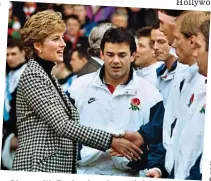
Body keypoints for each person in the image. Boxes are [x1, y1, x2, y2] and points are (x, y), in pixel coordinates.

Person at [11, 10, 142, 173]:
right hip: (39, 167)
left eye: (61, 37)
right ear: (37, 45)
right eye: (55, 39)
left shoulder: (45, 74)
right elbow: (63, 125)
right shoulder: (33, 75)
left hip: (51, 166)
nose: (63, 44)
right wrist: (110, 141)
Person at [69, 27, 165, 176]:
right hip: (84, 171)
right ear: (101, 54)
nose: (115, 61)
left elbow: (158, 137)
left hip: (128, 173)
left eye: (122, 55)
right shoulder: (78, 87)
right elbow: (64, 130)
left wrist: (156, 167)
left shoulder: (150, 93)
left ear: (133, 55)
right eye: (110, 54)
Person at [147, 11, 209, 179]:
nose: (173, 45)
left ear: (192, 41)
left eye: (177, 38)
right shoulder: (186, 74)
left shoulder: (200, 80)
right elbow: (173, 133)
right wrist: (160, 167)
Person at [1, 38, 27, 170]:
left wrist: (17, 135)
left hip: (18, 135)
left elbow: (28, 110)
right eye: (7, 55)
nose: (9, 58)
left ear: (23, 53)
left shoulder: (28, 73)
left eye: (13, 54)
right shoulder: (9, 73)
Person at [150, 20, 188, 106]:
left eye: (161, 42)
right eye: (153, 42)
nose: (155, 47)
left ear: (174, 40)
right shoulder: (159, 72)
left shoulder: (185, 72)